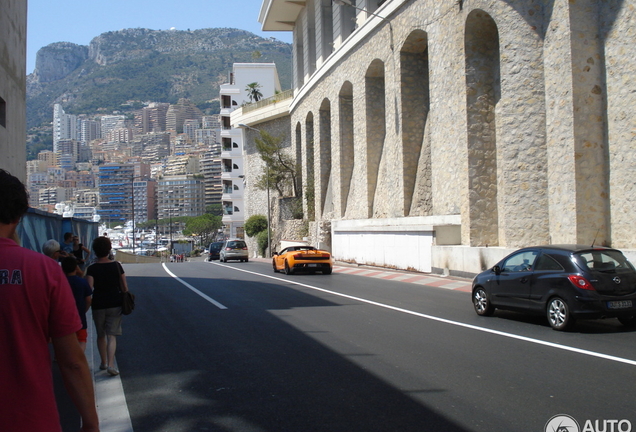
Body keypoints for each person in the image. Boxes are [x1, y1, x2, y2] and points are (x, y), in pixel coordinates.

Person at [0, 169, 99, 432]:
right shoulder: (44, 271)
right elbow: (72, 361)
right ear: (19, 217)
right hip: (30, 419)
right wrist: (90, 423)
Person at [85, 236, 129, 376]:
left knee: (100, 335)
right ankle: (111, 364)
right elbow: (124, 288)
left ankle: (103, 362)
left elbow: (89, 288)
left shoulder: (92, 269)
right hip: (114, 303)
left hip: (98, 304)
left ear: (95, 250)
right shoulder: (116, 266)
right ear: (109, 249)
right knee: (112, 335)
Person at [62, 256, 93, 352]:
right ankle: (79, 357)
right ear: (76, 267)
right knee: (82, 340)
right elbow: (88, 300)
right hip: (80, 316)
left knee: (65, 340)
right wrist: (84, 310)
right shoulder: (82, 282)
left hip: (64, 316)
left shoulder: (61, 282)